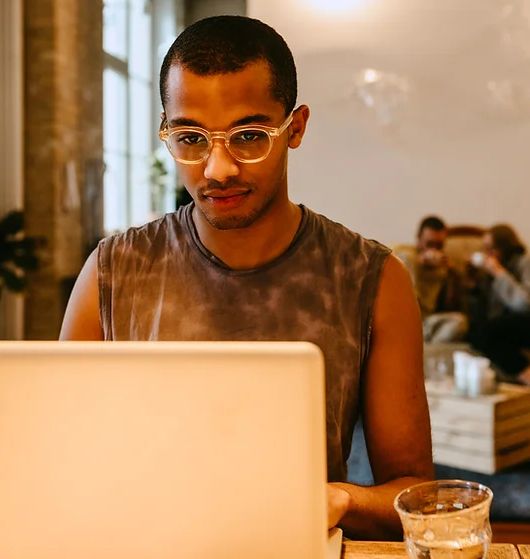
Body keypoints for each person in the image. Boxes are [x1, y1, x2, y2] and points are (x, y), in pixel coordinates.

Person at [59, 15, 433, 541]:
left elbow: (415, 494)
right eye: (190, 138)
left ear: (295, 128)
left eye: (249, 136)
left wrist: (336, 499)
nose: (218, 169)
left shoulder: (371, 279)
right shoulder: (113, 271)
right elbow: (58, 460)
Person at [465, 224, 530, 387]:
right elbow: (489, 316)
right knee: (478, 334)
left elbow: (528, 305)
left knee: (487, 333)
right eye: (485, 249)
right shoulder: (493, 274)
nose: (487, 255)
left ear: (505, 247)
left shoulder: (528, 263)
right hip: (518, 323)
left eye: (491, 249)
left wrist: (499, 273)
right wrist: (474, 287)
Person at [397, 216, 467, 343]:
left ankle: (424, 350)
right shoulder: (407, 253)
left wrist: (451, 275)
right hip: (403, 319)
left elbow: (450, 305)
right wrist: (421, 261)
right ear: (418, 239)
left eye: (439, 245)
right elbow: (393, 260)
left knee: (459, 322)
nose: (434, 250)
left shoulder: (444, 265)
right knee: (406, 260)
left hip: (426, 322)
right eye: (429, 244)